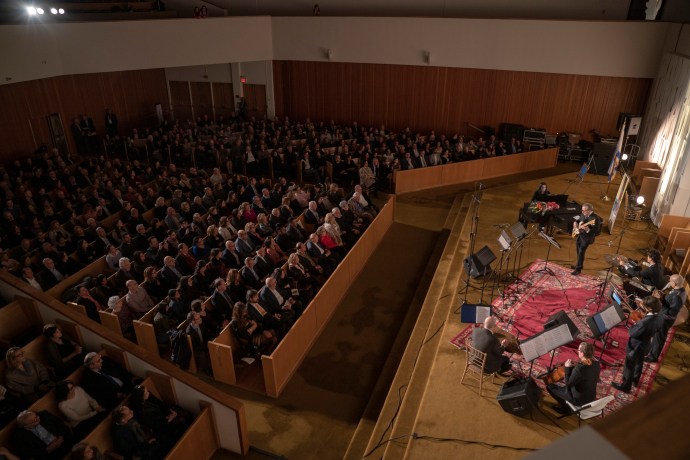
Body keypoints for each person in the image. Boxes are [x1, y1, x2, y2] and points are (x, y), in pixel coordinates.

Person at [612, 296, 661, 393]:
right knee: (639, 362)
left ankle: (625, 386)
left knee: (629, 366)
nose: (641, 306)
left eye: (644, 305)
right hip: (646, 345)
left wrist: (635, 324)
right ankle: (635, 380)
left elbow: (632, 333)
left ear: (650, 308)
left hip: (636, 347)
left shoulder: (644, 323)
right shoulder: (659, 317)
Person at [547, 342, 600, 414]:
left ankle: (566, 408)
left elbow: (568, 384)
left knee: (550, 387)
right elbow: (586, 372)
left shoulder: (579, 369)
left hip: (578, 399)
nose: (577, 352)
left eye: (578, 350)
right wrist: (576, 365)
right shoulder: (597, 363)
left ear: (582, 353)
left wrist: (567, 368)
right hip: (590, 397)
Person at [646, 274, 687, 362]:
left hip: (666, 319)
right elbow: (670, 302)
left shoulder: (677, 296)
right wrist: (663, 297)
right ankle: (651, 351)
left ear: (675, 283)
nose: (669, 282)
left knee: (659, 338)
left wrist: (660, 301)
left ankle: (653, 357)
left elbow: (672, 311)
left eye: (670, 281)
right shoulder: (682, 290)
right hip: (665, 317)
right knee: (657, 336)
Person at [571, 203, 602, 275]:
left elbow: (597, 231)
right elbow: (578, 220)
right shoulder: (583, 214)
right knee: (578, 251)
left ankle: (578, 269)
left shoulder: (595, 218)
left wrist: (588, 229)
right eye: (582, 210)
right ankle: (578, 265)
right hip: (580, 235)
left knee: (581, 252)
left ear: (589, 210)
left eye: (584, 211)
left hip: (587, 238)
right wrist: (575, 224)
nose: (582, 212)